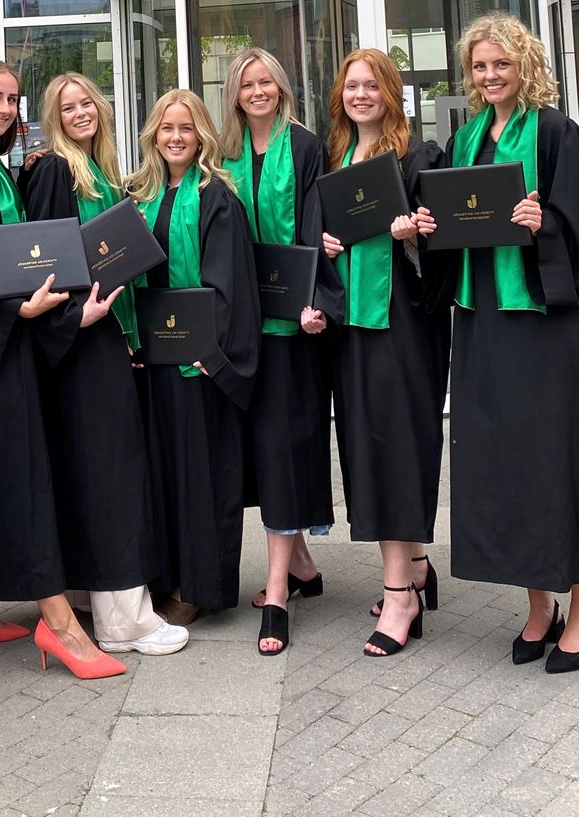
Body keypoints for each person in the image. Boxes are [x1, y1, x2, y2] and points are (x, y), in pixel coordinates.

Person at [0, 59, 127, 679]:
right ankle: (59, 623)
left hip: (11, 340)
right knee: (23, 477)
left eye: (12, 99)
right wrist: (19, 309)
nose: (3, 108)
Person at [433, 12, 579, 672]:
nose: (490, 75)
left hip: (540, 323)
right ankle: (540, 607)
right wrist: (427, 226)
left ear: (525, 64)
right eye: (480, 66)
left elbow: (574, 225)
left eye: (501, 63)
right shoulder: (466, 138)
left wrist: (544, 223)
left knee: (555, 461)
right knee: (505, 465)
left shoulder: (558, 132)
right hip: (482, 320)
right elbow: (456, 220)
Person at [16, 72, 187, 656]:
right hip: (81, 346)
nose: (80, 112)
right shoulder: (54, 171)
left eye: (86, 101)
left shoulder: (104, 172)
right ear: (53, 117)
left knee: (95, 472)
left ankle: (94, 599)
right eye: (67, 107)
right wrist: (74, 319)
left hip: (106, 340)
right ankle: (125, 621)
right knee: (112, 475)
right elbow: (41, 260)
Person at [319, 48, 450, 657]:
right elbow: (323, 238)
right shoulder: (334, 161)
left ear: (392, 93)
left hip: (401, 324)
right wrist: (325, 247)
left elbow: (446, 244)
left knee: (396, 448)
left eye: (372, 85)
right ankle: (416, 569)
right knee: (368, 447)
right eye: (352, 86)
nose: (361, 95)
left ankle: (400, 596)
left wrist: (413, 237)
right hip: (351, 328)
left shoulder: (419, 158)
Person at [219, 48, 339, 657]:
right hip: (241, 327)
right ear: (235, 93)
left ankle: (276, 593)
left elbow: (318, 229)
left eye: (267, 81)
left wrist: (318, 300)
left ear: (281, 87)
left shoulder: (306, 147)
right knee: (263, 450)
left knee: (282, 444)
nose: (258, 91)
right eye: (248, 83)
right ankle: (302, 565)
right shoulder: (222, 153)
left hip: (293, 328)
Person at [128, 89, 262, 625]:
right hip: (156, 360)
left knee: (202, 475)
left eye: (186, 128)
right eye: (167, 128)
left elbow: (230, 284)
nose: (176, 137)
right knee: (163, 472)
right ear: (154, 136)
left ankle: (199, 585)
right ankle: (166, 576)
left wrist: (213, 353)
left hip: (199, 362)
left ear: (201, 135)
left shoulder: (217, 198)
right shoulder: (141, 195)